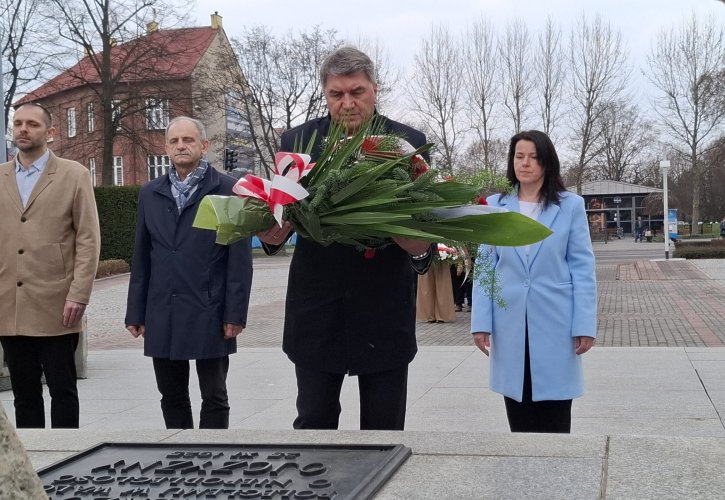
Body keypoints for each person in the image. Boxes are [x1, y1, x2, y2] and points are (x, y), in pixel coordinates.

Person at [258, 46, 434, 431]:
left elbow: (427, 239)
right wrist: (267, 226)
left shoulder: (407, 143)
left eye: (357, 92)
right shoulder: (298, 142)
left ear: (375, 88)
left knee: (385, 428)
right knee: (315, 423)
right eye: (337, 94)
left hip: (384, 308)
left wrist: (414, 241)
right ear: (325, 94)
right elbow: (277, 231)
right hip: (317, 310)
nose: (348, 103)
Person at [125, 117, 253, 429]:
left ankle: (214, 458)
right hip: (162, 308)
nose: (181, 146)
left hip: (208, 308)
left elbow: (238, 259)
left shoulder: (228, 189)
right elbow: (142, 256)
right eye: (174, 141)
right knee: (171, 394)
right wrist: (135, 312)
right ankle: (179, 457)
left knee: (214, 394)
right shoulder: (150, 193)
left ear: (204, 146)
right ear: (166, 147)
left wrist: (234, 314)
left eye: (188, 140)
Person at [471, 130, 597, 434]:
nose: (525, 163)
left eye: (533, 157)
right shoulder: (495, 205)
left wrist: (584, 325)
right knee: (519, 414)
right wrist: (480, 322)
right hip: (510, 322)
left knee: (555, 418)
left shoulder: (569, 206)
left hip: (556, 321)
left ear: (547, 162)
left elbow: (582, 269)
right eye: (519, 156)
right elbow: (485, 267)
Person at [0, 103, 101, 428]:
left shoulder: (74, 175)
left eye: (32, 124)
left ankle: (67, 464)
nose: (23, 129)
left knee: (62, 389)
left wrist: (79, 294)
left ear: (50, 133)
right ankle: (35, 467)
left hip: (58, 304)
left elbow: (88, 238)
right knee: (24, 394)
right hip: (9, 305)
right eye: (17, 123)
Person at [417, 252, 455, 323]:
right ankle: (429, 315)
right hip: (425, 256)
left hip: (442, 255)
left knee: (442, 286)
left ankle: (441, 315)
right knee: (426, 287)